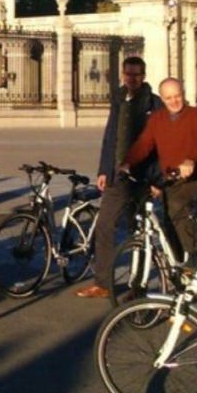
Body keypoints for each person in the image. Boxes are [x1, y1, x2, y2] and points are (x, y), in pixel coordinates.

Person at [76, 57, 162, 299]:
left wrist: (157, 180)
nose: (131, 79)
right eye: (128, 74)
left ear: (143, 76)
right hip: (117, 175)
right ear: (122, 75)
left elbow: (160, 144)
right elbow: (110, 136)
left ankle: (138, 286)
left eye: (136, 75)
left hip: (142, 176)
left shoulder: (154, 104)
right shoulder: (119, 98)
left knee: (138, 232)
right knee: (104, 225)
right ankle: (103, 283)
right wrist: (104, 169)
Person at [122, 78, 197, 264]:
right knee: (164, 219)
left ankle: (194, 256)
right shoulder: (157, 119)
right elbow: (144, 144)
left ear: (183, 93)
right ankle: (176, 260)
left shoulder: (196, 115)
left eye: (177, 96)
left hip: (196, 178)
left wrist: (190, 160)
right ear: (162, 98)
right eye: (168, 98)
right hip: (170, 178)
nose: (174, 101)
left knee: (176, 206)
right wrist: (127, 163)